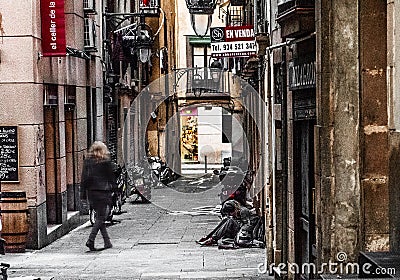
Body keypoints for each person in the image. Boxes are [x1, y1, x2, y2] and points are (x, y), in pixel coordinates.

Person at [81, 141, 116, 251]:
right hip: (103, 192)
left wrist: (83, 194)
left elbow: (84, 179)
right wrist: (115, 190)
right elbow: (111, 178)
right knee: (101, 218)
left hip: (92, 193)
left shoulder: (88, 162)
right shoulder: (105, 162)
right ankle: (90, 240)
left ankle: (107, 241)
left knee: (99, 218)